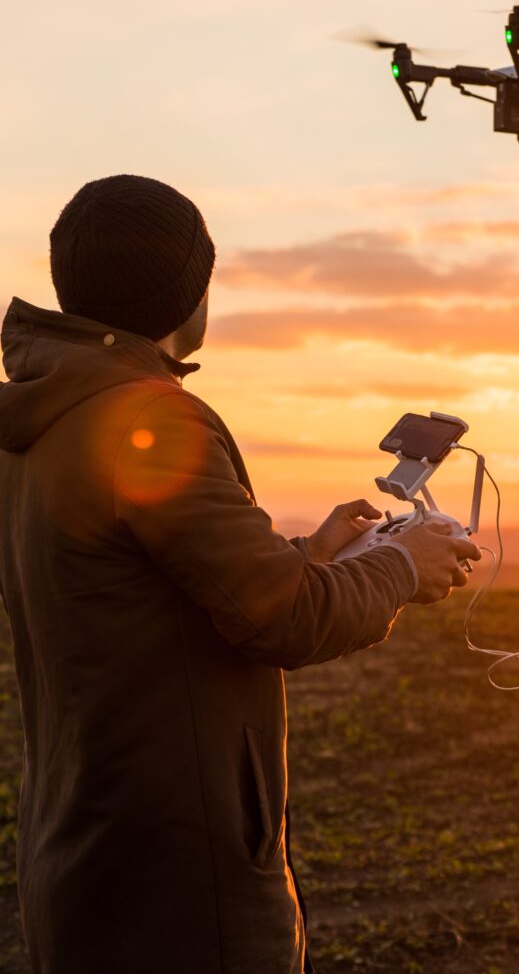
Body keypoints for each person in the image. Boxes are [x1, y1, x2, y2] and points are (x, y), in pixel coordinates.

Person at [0, 174, 480, 974]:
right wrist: (402, 563)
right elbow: (281, 620)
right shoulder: (147, 417)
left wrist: (309, 552)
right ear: (186, 294)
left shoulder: (36, 421)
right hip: (182, 882)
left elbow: (137, 591)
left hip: (81, 847)